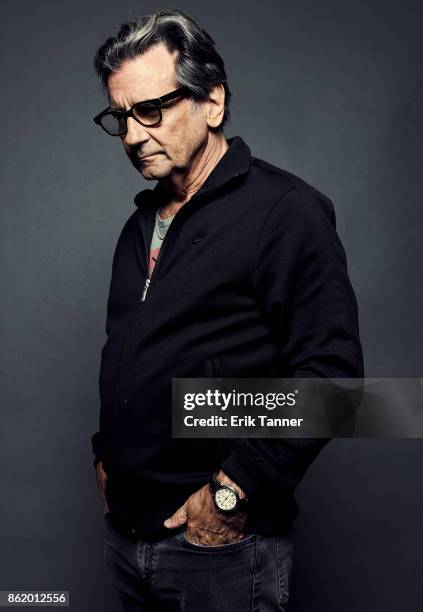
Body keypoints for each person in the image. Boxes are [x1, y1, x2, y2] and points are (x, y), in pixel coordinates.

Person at [91, 8, 364, 611]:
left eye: (150, 111)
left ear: (212, 102)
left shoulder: (284, 211)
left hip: (218, 549)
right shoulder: (139, 226)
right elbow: (132, 357)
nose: (133, 134)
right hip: (126, 539)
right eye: (119, 117)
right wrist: (103, 456)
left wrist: (230, 494)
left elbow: (336, 384)